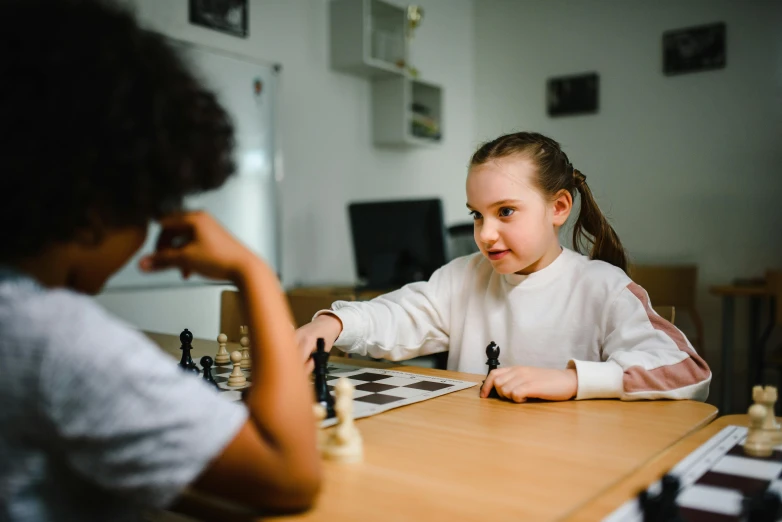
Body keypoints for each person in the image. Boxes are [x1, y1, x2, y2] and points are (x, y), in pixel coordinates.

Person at [0, 1, 319, 520]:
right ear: (98, 209)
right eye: (148, 209)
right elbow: (291, 474)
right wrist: (252, 270)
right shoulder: (51, 338)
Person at [296, 132, 711, 403]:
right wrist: (334, 323)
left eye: (505, 211)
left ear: (559, 208)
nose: (486, 234)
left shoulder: (602, 286)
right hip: (477, 457)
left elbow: (685, 370)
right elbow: (399, 315)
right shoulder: (464, 276)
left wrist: (572, 381)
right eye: (477, 215)